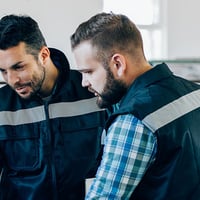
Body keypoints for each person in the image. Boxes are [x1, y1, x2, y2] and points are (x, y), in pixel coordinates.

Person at [70, 12, 200, 200]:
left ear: (118, 63)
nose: (84, 82)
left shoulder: (133, 120)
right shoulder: (194, 91)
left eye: (88, 72)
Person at [0, 14, 107, 200]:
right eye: (3, 70)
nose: (11, 80)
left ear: (43, 55)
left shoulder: (92, 92)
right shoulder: (1, 106)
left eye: (19, 67)